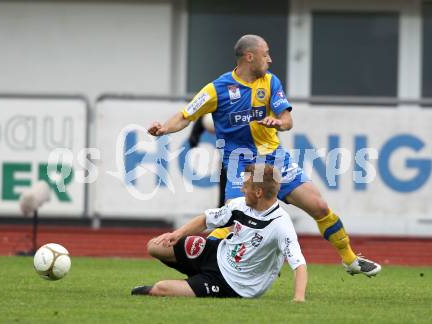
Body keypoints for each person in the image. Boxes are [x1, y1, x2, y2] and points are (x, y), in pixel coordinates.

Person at [147, 34, 381, 277]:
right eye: (265, 54)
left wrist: (278, 122)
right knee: (231, 224)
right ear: (250, 57)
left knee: (319, 206)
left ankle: (351, 260)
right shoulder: (217, 89)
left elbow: (288, 121)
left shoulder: (270, 82)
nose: (270, 59)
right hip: (241, 165)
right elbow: (186, 116)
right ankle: (203, 267)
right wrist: (164, 128)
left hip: (274, 159)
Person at [131, 164, 307, 300]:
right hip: (216, 253)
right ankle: (197, 277)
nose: (241, 189)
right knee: (154, 246)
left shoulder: (281, 224)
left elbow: (299, 265)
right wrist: (176, 234)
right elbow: (205, 220)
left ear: (259, 192)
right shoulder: (239, 205)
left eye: (245, 186)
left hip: (233, 284)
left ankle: (196, 282)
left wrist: (298, 299)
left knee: (161, 288)